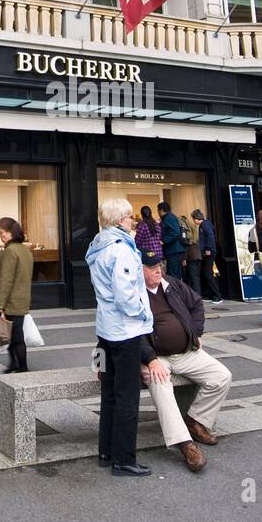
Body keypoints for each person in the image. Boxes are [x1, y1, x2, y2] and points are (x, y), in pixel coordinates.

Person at [137, 256, 233, 473]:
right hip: (156, 357)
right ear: (139, 269)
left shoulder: (171, 284)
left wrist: (195, 332)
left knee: (221, 376)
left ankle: (196, 420)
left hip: (186, 351)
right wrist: (150, 360)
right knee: (160, 384)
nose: (158, 270)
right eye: (151, 267)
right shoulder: (133, 292)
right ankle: (185, 445)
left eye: (159, 265)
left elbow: (197, 303)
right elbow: (132, 330)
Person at [86, 198, 154, 477]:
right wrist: (141, 314)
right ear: (118, 221)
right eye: (129, 217)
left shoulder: (97, 247)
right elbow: (126, 294)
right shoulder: (121, 250)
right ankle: (123, 459)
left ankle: (106, 451)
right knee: (127, 396)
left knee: (109, 393)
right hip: (125, 331)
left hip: (105, 331)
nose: (132, 221)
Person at [0, 216, 33, 374]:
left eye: (4, 233)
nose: (2, 236)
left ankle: (21, 366)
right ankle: (14, 364)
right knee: (14, 334)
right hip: (22, 298)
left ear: (12, 232)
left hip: (11, 300)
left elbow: (5, 281)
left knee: (15, 336)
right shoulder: (25, 250)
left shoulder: (10, 251)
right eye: (0, 233)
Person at [191, 209, 223, 305]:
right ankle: (211, 294)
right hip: (207, 251)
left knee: (207, 273)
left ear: (196, 218)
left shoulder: (204, 225)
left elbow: (210, 236)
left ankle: (217, 296)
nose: (193, 221)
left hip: (209, 252)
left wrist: (208, 248)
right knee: (206, 273)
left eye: (193, 219)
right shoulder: (205, 224)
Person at [158, 201, 187, 280]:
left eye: (158, 210)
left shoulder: (169, 218)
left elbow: (175, 232)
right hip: (173, 250)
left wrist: (164, 240)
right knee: (174, 273)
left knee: (174, 274)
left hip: (174, 251)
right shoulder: (167, 218)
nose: (158, 213)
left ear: (161, 210)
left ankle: (177, 291)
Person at [181, 215, 202, 295]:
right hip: (198, 256)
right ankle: (198, 294)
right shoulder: (193, 230)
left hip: (191, 257)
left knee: (193, 277)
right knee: (196, 277)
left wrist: (184, 259)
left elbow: (186, 247)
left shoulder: (186, 232)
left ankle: (196, 295)